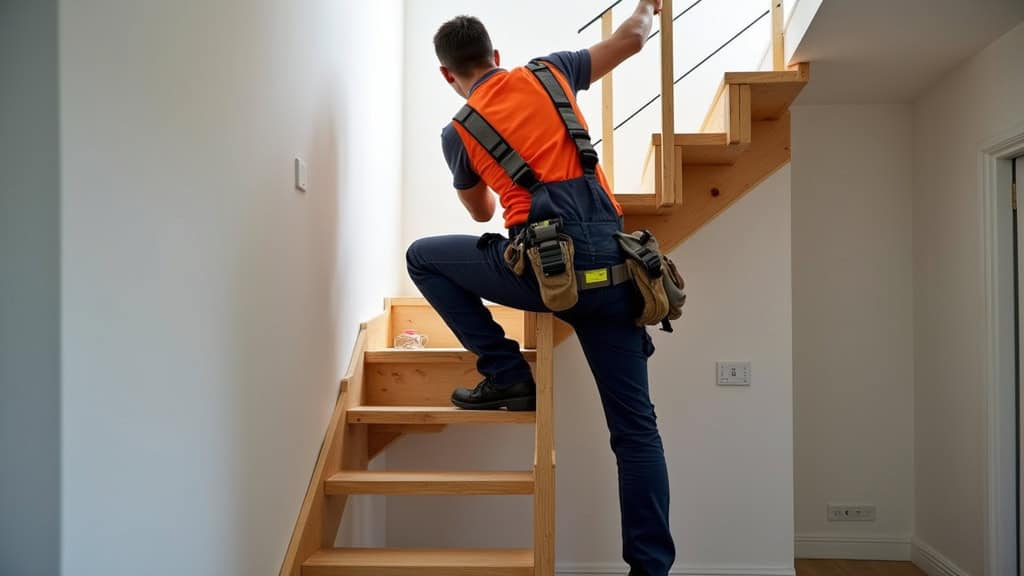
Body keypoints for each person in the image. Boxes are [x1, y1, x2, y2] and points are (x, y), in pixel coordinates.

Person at [405, 2, 674, 574]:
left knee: (423, 258)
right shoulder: (551, 72)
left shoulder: (458, 131)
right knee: (636, 432)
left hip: (544, 272)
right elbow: (631, 38)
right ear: (496, 56)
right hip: (618, 270)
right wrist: (648, 6)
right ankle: (651, 569)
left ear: (447, 76)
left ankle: (505, 375)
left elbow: (480, 213)